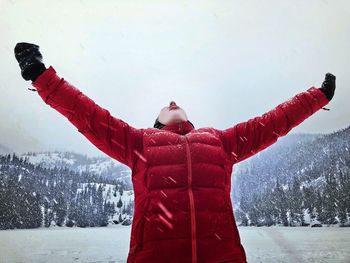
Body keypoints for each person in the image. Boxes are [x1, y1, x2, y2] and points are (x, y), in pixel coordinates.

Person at [14, 42, 336, 263]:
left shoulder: (219, 142)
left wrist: (317, 96)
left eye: (176, 103)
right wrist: (43, 77)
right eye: (165, 106)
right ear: (156, 123)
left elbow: (272, 123)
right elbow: (89, 116)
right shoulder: (139, 143)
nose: (172, 101)